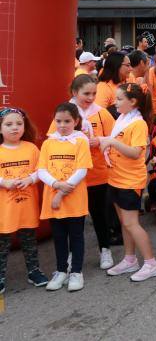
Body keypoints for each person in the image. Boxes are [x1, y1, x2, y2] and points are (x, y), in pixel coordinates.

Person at [53, 76, 116, 270]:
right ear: (74, 92)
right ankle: (73, 254)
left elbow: (115, 136)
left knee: (100, 215)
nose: (91, 97)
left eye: (94, 93)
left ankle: (105, 250)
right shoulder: (65, 113)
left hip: (97, 173)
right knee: (74, 219)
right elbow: (52, 137)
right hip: (71, 177)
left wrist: (100, 140)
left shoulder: (102, 113)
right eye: (86, 93)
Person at [100, 84, 156, 282]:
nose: (115, 102)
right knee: (124, 223)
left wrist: (112, 143)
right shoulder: (123, 118)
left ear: (133, 102)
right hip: (116, 177)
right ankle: (129, 259)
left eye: (119, 99)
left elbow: (136, 153)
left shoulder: (138, 123)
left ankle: (152, 263)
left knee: (131, 223)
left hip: (129, 180)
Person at [38, 102, 92, 292]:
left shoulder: (81, 141)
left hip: (73, 197)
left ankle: (76, 272)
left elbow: (82, 170)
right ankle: (61, 270)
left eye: (67, 121)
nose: (62, 125)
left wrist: (61, 192)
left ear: (76, 121)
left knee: (76, 236)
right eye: (58, 121)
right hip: (53, 198)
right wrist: (56, 184)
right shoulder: (48, 143)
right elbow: (42, 170)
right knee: (59, 237)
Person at [0, 107, 48, 293]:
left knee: (29, 242)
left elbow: (41, 171)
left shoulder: (31, 148)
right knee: (2, 245)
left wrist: (30, 179)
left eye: (19, 124)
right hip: (5, 210)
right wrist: (5, 182)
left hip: (27, 207)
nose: (14, 128)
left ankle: (34, 271)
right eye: (9, 124)